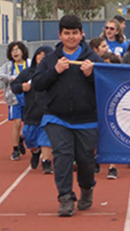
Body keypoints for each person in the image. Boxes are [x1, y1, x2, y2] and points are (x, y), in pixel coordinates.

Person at [32, 15, 103, 217]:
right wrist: (55, 71)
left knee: (86, 160)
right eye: (67, 33)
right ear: (60, 35)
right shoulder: (50, 59)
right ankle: (65, 198)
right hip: (57, 118)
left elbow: (106, 88)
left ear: (82, 34)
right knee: (62, 156)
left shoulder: (93, 58)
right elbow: (37, 84)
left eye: (75, 33)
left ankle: (87, 189)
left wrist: (92, 76)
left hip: (87, 119)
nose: (71, 37)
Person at [11, 45, 54, 174]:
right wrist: (21, 86)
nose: (41, 57)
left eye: (45, 55)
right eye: (39, 54)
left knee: (46, 137)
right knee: (29, 138)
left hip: (48, 112)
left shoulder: (54, 73)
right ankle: (35, 152)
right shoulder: (27, 73)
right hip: (31, 112)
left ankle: (46, 162)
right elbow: (14, 86)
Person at [0, 41, 30, 161]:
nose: (15, 52)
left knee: (30, 125)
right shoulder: (9, 66)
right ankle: (15, 149)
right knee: (17, 123)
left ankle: (21, 138)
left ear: (23, 51)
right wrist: (10, 78)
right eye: (12, 50)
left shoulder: (29, 63)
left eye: (17, 49)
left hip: (29, 98)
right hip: (14, 98)